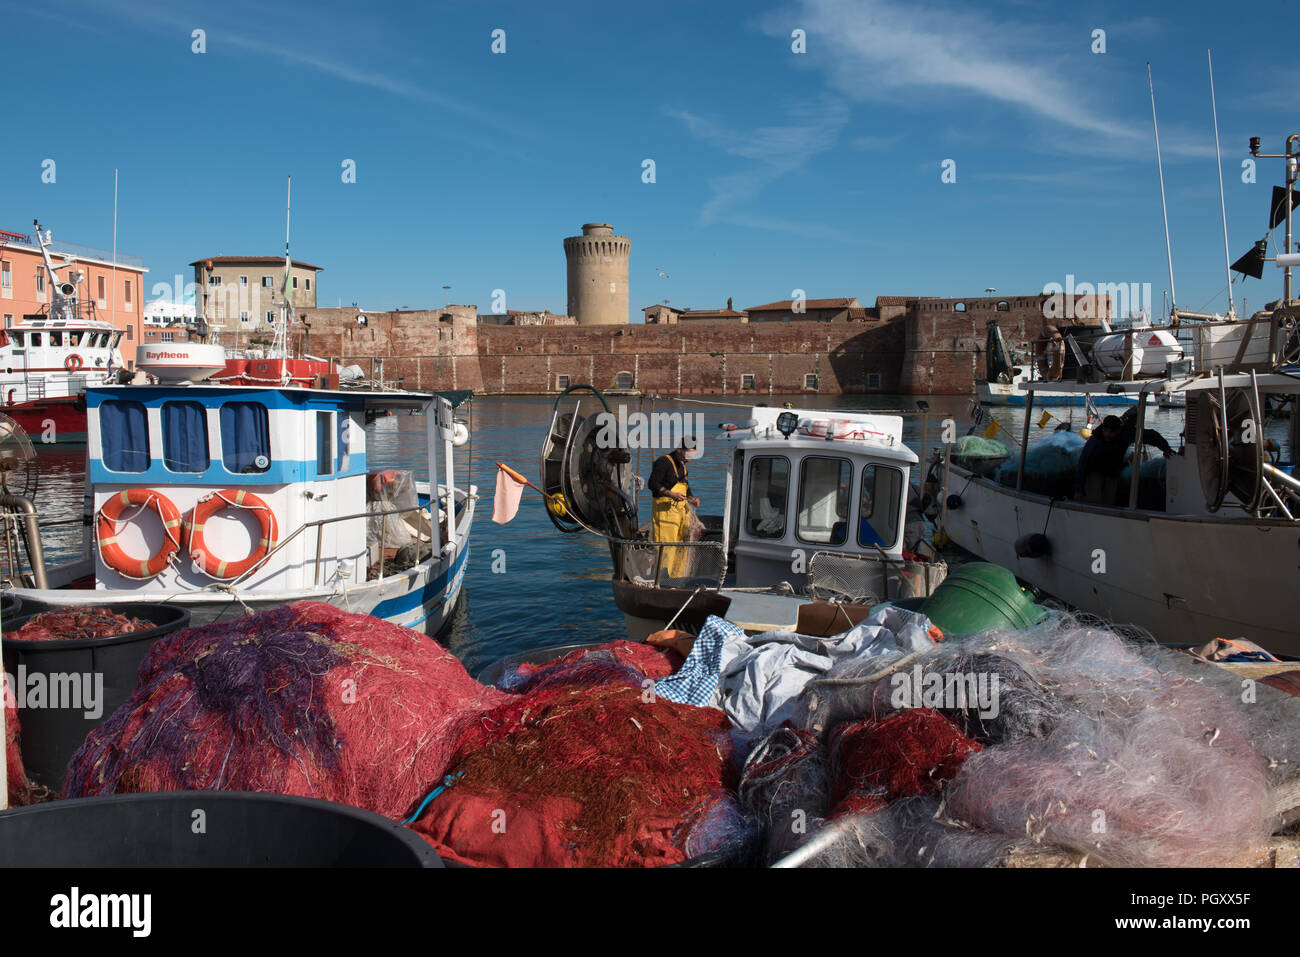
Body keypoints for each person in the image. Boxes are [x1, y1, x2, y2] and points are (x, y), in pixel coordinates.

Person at [1074, 411, 1174, 505]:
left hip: (1112, 472)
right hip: (1094, 471)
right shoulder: (1096, 439)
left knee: (1109, 502)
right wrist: (1078, 489)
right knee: (1094, 500)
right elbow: (1083, 462)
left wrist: (1165, 448)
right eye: (1105, 431)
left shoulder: (1126, 434)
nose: (1107, 435)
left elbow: (1150, 435)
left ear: (1118, 431)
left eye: (1111, 432)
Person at [649, 440, 700, 577]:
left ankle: (677, 579)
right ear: (679, 449)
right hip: (665, 514)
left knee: (682, 548)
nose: (690, 458)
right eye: (688, 454)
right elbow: (652, 483)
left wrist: (692, 499)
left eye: (692, 455)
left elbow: (685, 487)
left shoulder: (683, 466)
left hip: (680, 514)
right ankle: (662, 580)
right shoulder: (664, 461)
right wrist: (671, 494)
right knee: (667, 549)